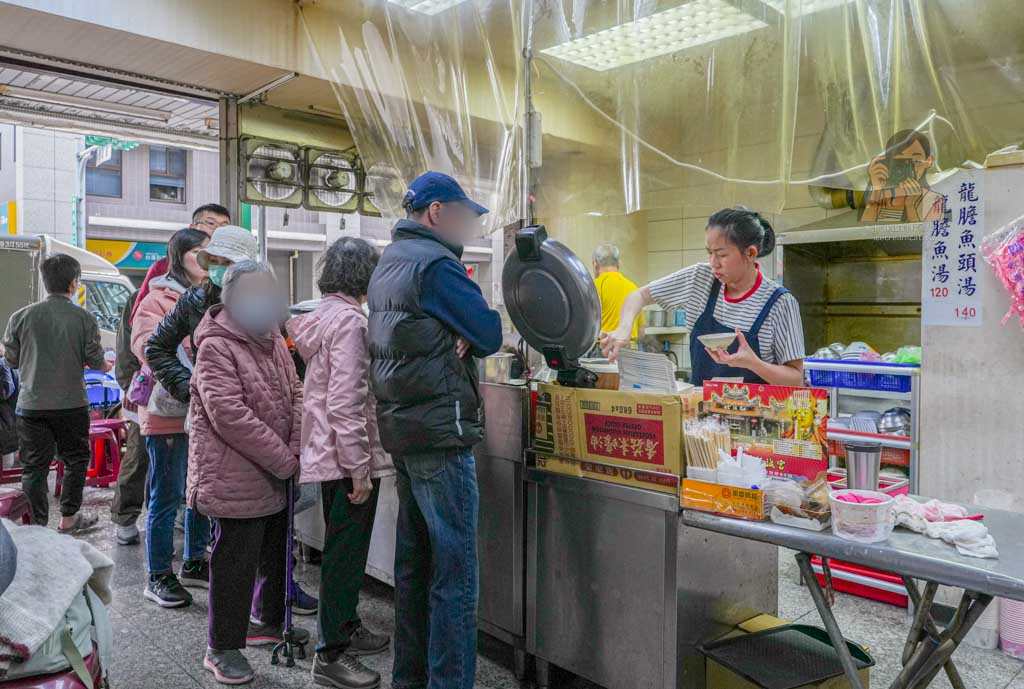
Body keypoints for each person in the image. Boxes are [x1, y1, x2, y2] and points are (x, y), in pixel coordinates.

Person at [368, 171, 502, 689]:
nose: (468, 226)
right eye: (464, 214)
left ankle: (411, 679)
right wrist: (461, 332)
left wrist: (449, 333)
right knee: (455, 576)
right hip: (441, 436)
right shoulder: (438, 265)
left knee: (416, 568)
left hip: (403, 431)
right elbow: (488, 333)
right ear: (438, 212)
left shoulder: (390, 262)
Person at [147, 225, 319, 615]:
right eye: (216, 262)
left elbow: (292, 364)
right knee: (226, 521)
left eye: (230, 262)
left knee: (274, 520)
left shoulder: (266, 306)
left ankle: (276, 593)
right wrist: (191, 386)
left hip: (268, 426)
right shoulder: (195, 302)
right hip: (224, 429)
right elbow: (156, 346)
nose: (221, 269)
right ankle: (187, 586)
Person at [187, 261, 306, 685]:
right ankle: (221, 647)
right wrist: (284, 458)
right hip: (232, 473)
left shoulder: (272, 338)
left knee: (274, 553)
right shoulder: (216, 346)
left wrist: (293, 448)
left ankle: (266, 622)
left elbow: (295, 393)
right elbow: (228, 414)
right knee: (234, 561)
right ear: (231, 297)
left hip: (274, 470)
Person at [288, 238, 391, 689]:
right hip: (344, 458)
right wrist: (360, 468)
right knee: (345, 556)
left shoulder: (321, 316)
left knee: (342, 551)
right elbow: (347, 402)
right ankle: (330, 655)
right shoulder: (350, 322)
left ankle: (346, 625)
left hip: (325, 453)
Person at [601, 207, 806, 387]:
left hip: (756, 422)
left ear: (751, 253)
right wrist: (624, 328)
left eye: (722, 254)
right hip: (703, 422)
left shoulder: (780, 303)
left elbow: (796, 378)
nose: (713, 263)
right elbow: (639, 295)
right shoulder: (701, 279)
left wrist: (754, 364)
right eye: (710, 253)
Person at [132, 228, 213, 608]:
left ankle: (196, 561)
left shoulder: (216, 296)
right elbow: (148, 346)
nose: (208, 260)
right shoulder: (157, 298)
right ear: (180, 257)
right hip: (167, 410)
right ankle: (158, 573)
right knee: (166, 494)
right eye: (200, 252)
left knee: (199, 491)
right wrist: (191, 382)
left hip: (205, 411)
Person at [2, 254, 111, 532]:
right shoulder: (84, 318)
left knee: (34, 467)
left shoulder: (21, 317)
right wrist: (103, 363)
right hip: (71, 404)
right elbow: (96, 361)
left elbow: (11, 360)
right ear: (74, 284)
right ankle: (68, 518)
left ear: (45, 280)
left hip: (31, 405)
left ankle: (37, 526)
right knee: (75, 459)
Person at [130, 204, 231, 325]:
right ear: (192, 227)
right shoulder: (161, 270)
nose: (218, 230)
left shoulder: (228, 269)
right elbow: (139, 320)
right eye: (210, 223)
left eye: (224, 226)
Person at [110, 288, 149, 546]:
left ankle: (182, 512)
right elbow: (125, 347)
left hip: (186, 393)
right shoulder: (140, 296)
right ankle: (125, 517)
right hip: (146, 392)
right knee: (138, 455)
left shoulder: (202, 291)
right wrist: (130, 385)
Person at [861, 129, 943, 224]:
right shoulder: (883, 197)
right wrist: (876, 189)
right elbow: (866, 231)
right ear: (888, 163)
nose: (910, 168)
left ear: (929, 161)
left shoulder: (934, 199)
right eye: (900, 163)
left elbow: (928, 236)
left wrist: (910, 205)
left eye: (915, 161)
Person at [592, 243, 641, 342]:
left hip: (605, 348)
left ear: (595, 264)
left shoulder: (593, 287)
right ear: (618, 263)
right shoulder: (633, 287)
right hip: (631, 349)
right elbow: (641, 331)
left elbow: (585, 325)